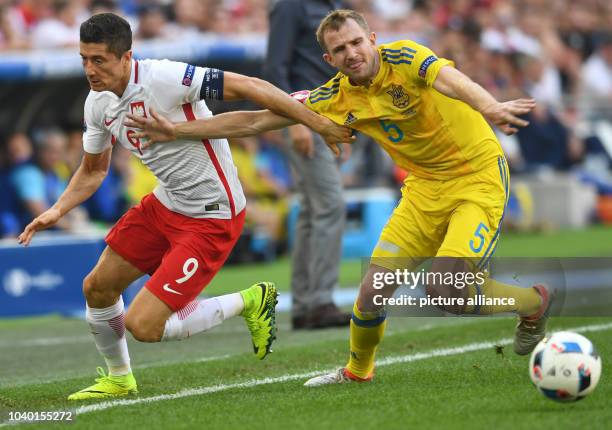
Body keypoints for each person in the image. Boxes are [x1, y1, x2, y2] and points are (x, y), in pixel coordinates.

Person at [127, 10, 552, 387]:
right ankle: (356, 372)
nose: (350, 53)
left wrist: (490, 105)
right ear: (328, 60)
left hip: (476, 179)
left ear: (372, 40)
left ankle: (532, 303)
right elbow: (256, 120)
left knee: (446, 290)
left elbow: (450, 79)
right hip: (423, 191)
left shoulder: (404, 57)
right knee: (370, 296)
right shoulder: (335, 96)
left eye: (355, 42)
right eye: (339, 49)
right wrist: (177, 130)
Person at [17, 12, 352, 400]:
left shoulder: (164, 78)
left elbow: (249, 85)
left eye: (99, 60)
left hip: (213, 214)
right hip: (167, 203)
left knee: (143, 326)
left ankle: (249, 300)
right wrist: (58, 210)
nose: (89, 69)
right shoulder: (97, 104)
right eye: (83, 59)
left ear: (126, 58)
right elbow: (93, 170)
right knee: (97, 287)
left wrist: (313, 121)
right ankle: (119, 378)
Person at [263, 0, 351, 330]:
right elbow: (274, 67)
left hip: (332, 117)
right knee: (330, 205)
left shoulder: (338, 5)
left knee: (314, 211)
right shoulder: (291, 6)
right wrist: (295, 121)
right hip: (305, 116)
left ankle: (304, 305)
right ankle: (320, 302)